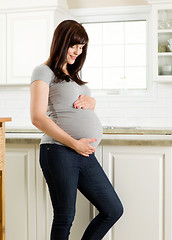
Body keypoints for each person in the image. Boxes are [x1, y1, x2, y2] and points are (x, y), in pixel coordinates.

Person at [30, 19, 123, 240]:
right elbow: (37, 117)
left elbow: (75, 104)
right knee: (65, 217)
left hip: (83, 153)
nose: (78, 52)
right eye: (74, 46)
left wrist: (93, 102)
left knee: (113, 210)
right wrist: (74, 143)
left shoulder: (71, 75)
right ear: (61, 42)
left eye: (81, 48)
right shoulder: (43, 71)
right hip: (59, 152)